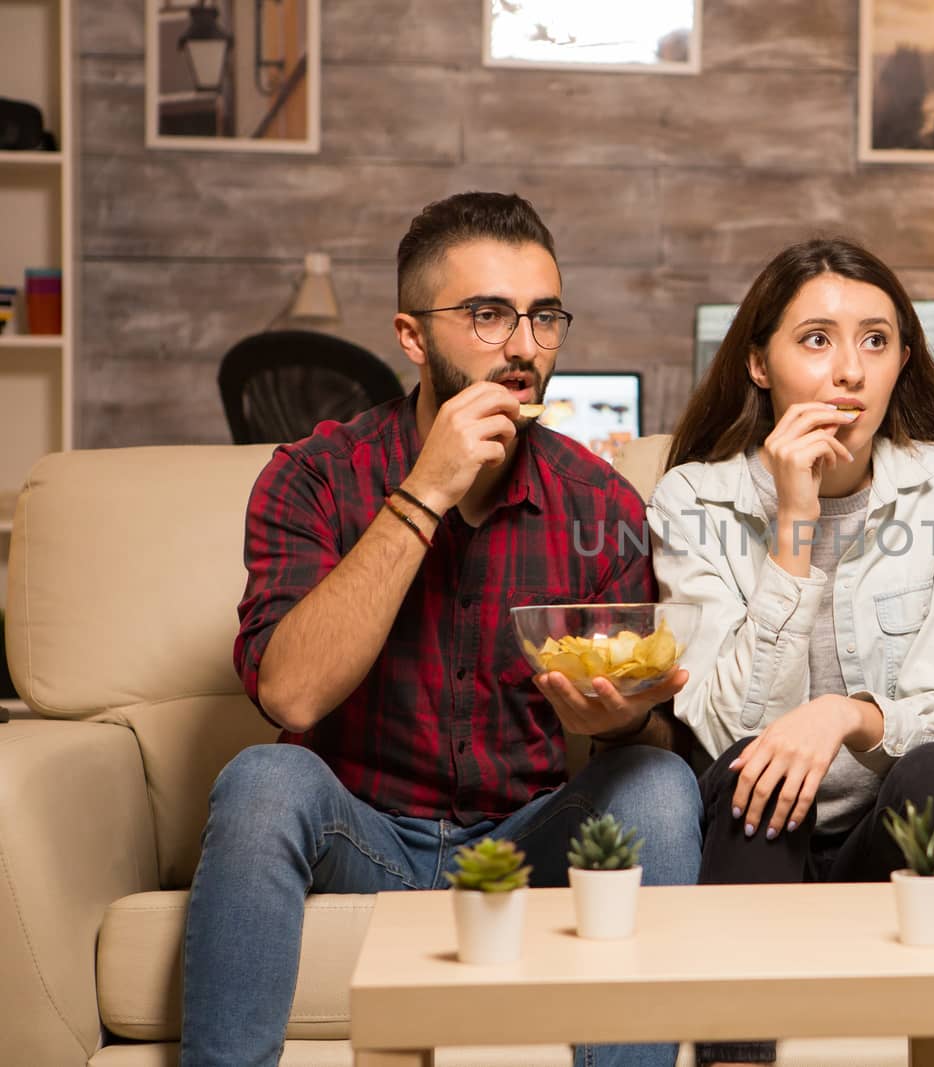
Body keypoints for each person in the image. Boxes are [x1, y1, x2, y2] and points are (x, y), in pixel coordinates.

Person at [182, 192, 701, 1067]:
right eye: (489, 316)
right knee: (264, 776)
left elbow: (637, 726)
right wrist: (426, 490)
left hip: (524, 835)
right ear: (412, 335)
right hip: (362, 832)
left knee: (657, 782)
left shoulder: (599, 502)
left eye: (544, 318)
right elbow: (291, 692)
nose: (525, 347)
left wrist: (614, 721)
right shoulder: (313, 478)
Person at [648, 238, 934, 1067]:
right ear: (760, 363)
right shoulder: (693, 496)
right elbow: (726, 725)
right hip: (757, 839)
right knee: (754, 774)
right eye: (816, 340)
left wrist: (845, 713)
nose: (850, 372)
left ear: (904, 358)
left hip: (896, 838)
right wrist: (793, 527)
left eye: (876, 340)